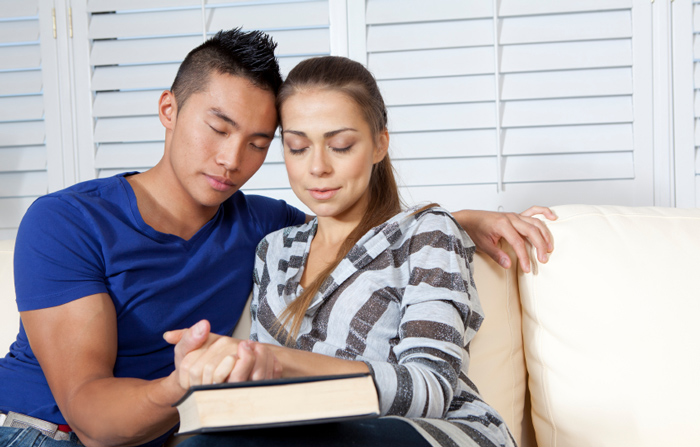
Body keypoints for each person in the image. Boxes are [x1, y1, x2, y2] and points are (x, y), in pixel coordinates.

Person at [0, 29, 553, 447]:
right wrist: (183, 384)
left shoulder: (263, 227)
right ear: (168, 109)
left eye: (258, 142)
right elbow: (91, 417)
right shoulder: (67, 223)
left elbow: (365, 235)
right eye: (218, 129)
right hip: (47, 432)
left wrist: (457, 221)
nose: (231, 160)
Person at [172, 56, 529, 447]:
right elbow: (265, 396)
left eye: (340, 146)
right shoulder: (273, 250)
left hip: (431, 433)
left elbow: (431, 389)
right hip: (313, 431)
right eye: (297, 147)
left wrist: (275, 360)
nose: (317, 167)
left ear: (379, 144)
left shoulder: (425, 232)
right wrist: (214, 368)